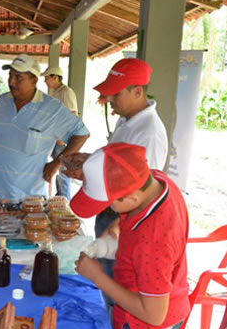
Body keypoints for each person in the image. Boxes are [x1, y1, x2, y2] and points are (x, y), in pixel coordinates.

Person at [72, 143, 189, 329]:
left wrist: (98, 277)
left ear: (131, 197)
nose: (108, 210)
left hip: (144, 326)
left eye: (109, 204)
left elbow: (153, 313)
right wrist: (112, 235)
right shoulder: (154, 180)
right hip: (159, 298)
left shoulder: (153, 241)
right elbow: (130, 214)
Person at [63, 58, 168, 238]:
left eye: (116, 94)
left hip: (123, 218)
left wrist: (117, 228)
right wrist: (89, 161)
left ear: (137, 92)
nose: (109, 99)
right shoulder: (126, 118)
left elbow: (142, 191)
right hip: (110, 206)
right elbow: (120, 163)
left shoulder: (149, 133)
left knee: (111, 264)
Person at [0, 54, 89, 202]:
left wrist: (56, 163)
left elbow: (81, 134)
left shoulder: (51, 108)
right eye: (10, 76)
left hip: (27, 202)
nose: (11, 82)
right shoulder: (2, 101)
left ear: (34, 80)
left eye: (18, 78)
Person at [41, 66, 79, 201]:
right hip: (55, 137)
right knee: (57, 168)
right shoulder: (55, 93)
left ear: (54, 77)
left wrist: (64, 137)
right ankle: (60, 196)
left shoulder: (66, 93)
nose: (45, 81)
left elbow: (73, 115)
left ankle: (65, 200)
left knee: (63, 171)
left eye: (47, 78)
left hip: (62, 140)